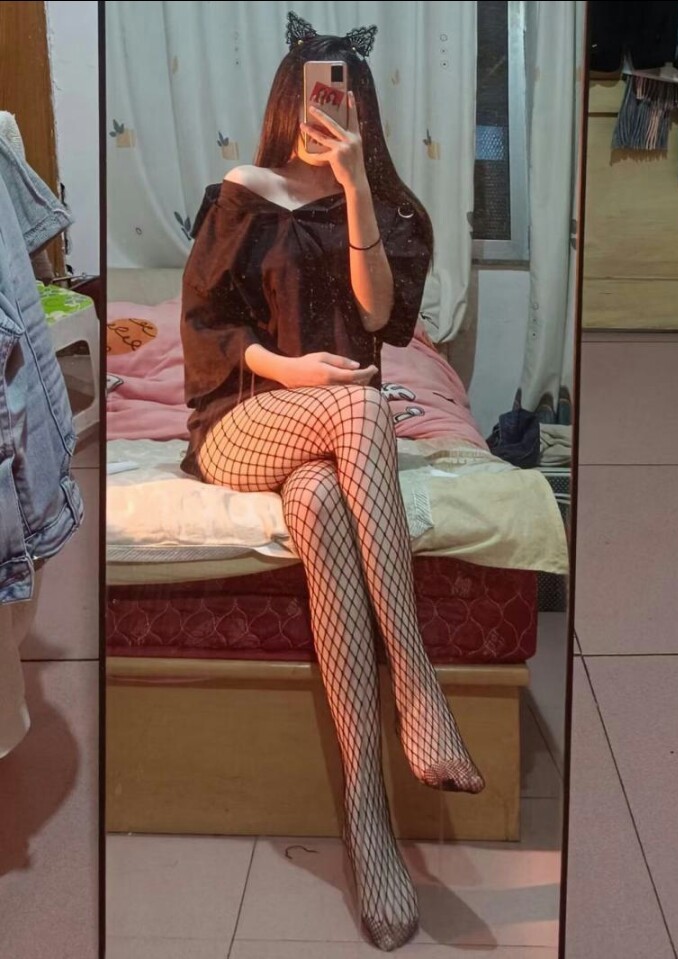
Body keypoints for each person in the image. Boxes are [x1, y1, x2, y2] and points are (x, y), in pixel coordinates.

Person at [180, 12, 484, 952]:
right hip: (243, 419)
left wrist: (354, 187)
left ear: (361, 106)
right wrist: (292, 369)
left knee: (318, 496)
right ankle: (418, 686)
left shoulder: (392, 211)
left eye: (344, 94)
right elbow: (206, 328)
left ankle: (367, 817)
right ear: (290, 98)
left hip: (330, 431)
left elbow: (384, 322)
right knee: (360, 409)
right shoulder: (240, 193)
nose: (329, 107)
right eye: (316, 91)